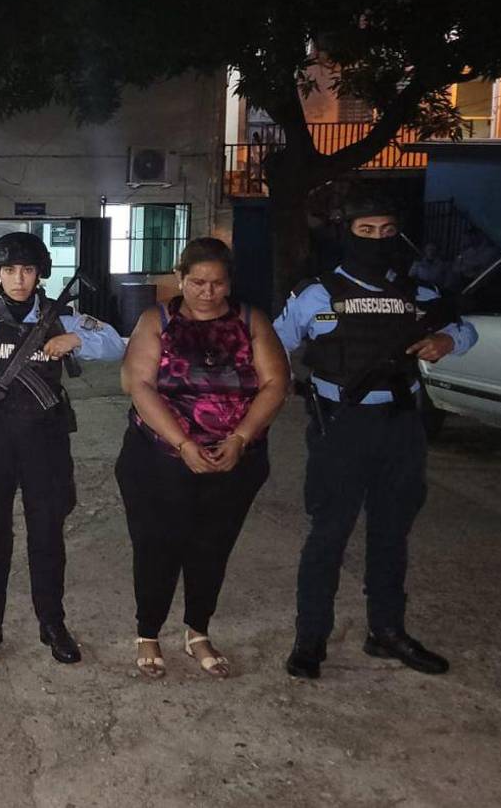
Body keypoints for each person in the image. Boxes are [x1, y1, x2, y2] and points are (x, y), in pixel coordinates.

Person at [274, 194, 478, 679]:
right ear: (347, 233)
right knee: (328, 533)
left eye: (387, 231)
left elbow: (466, 330)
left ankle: (386, 631)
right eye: (366, 231)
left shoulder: (418, 293)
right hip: (341, 426)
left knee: (391, 533)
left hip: (401, 426)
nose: (378, 239)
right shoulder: (317, 294)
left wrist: (447, 340)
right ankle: (310, 639)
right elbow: (274, 343)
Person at [0, 232, 125, 665]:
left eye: (27, 270)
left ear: (40, 273)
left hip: (45, 442)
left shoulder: (65, 318)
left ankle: (52, 624)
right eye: (9, 270)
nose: (19, 279)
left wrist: (76, 341)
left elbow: (118, 344)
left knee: (47, 533)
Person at [116, 238, 288, 679]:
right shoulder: (157, 319)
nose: (207, 292)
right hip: (159, 459)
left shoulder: (250, 320)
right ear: (180, 278)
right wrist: (183, 444)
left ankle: (197, 631)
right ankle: (148, 632)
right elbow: (138, 385)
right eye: (197, 282)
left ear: (229, 282)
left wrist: (241, 438)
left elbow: (275, 383)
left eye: (217, 283)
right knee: (157, 545)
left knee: (212, 546)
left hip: (235, 459)